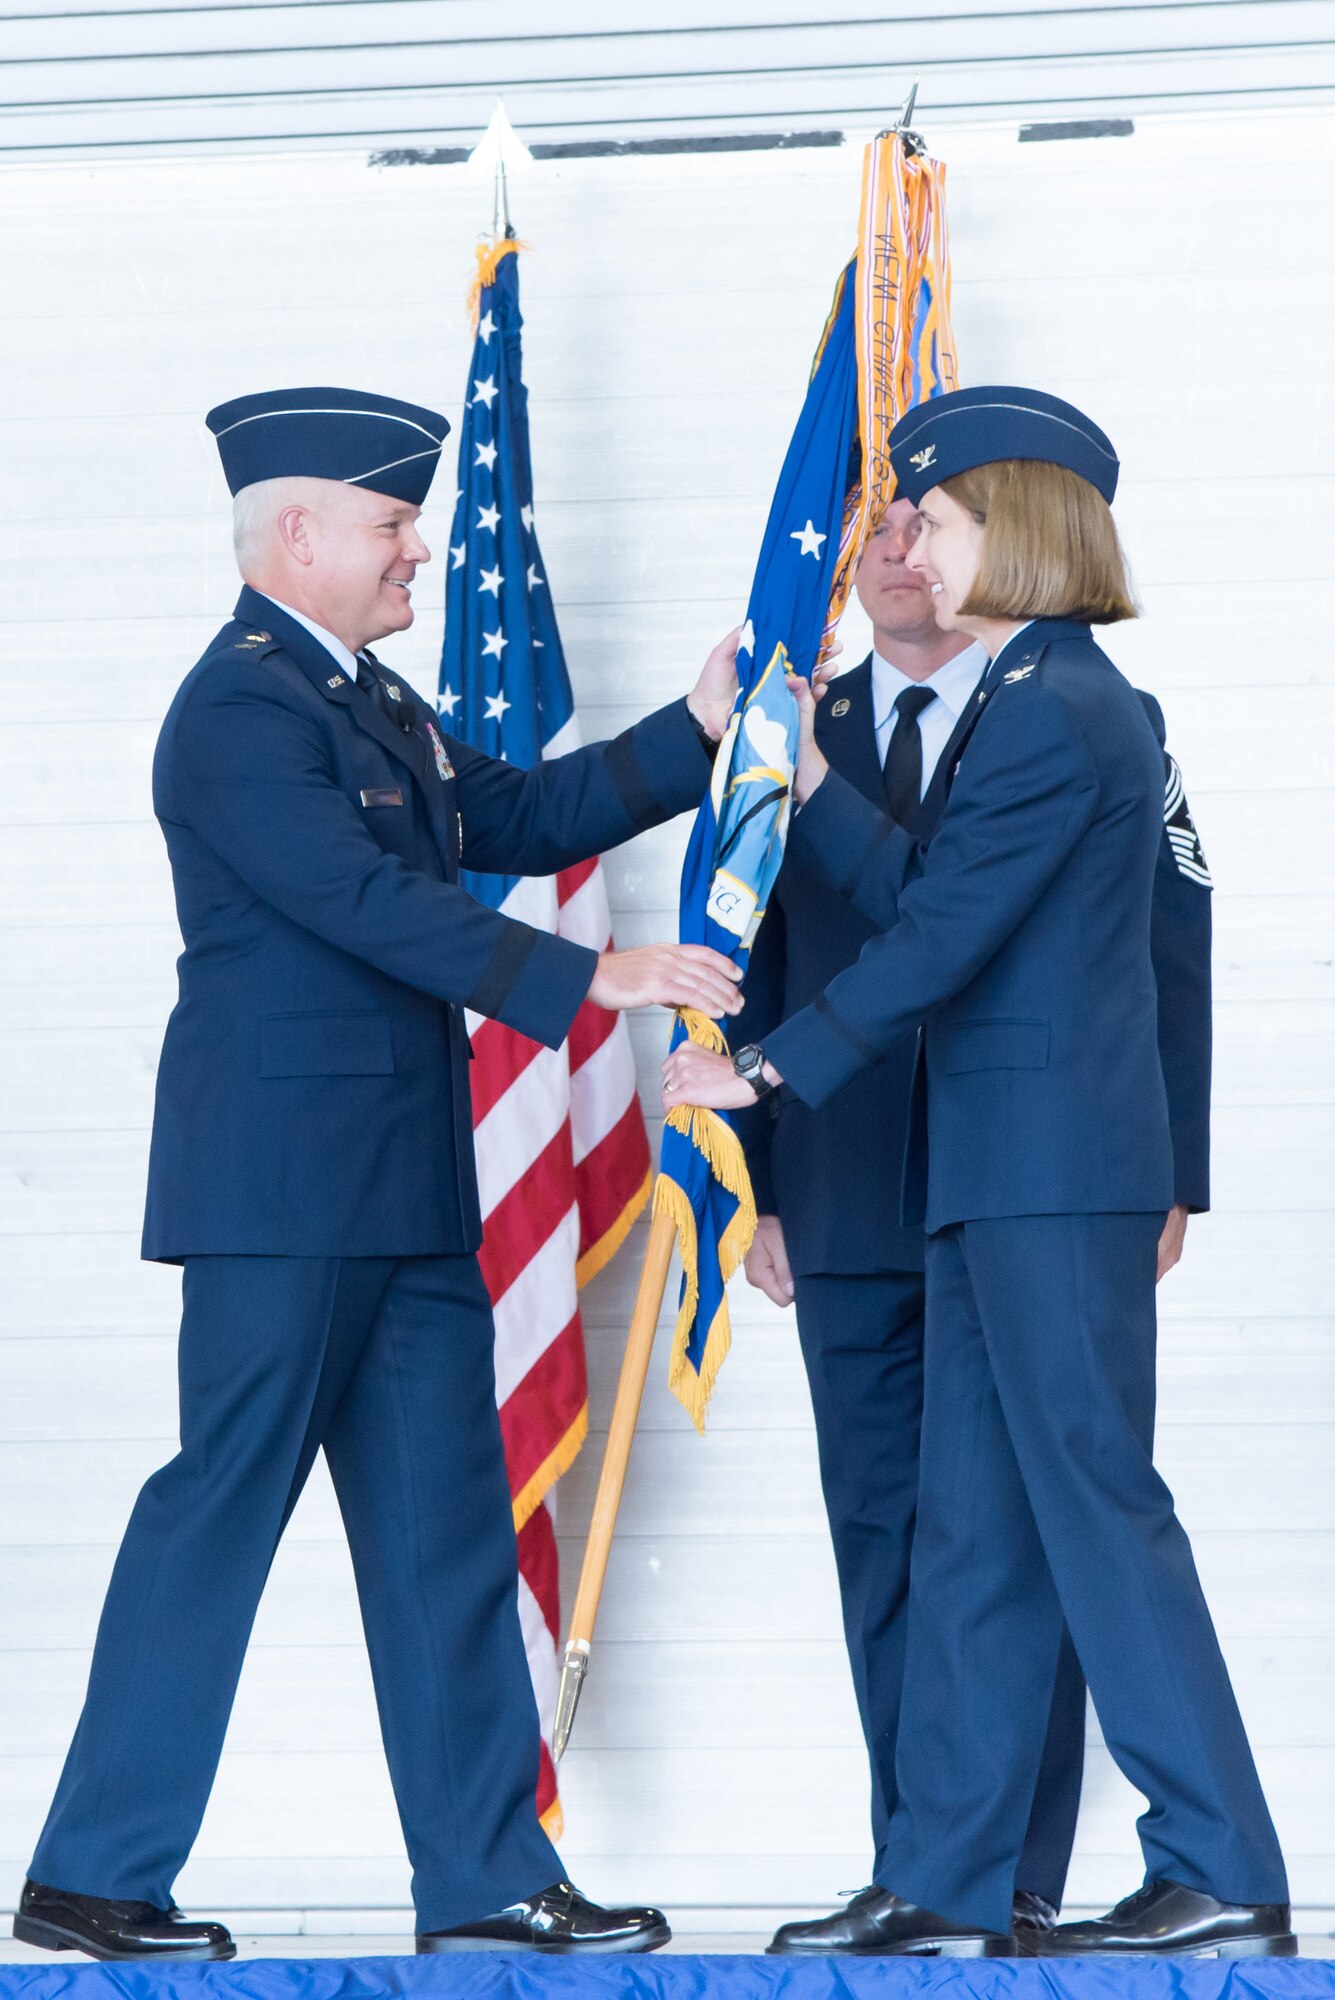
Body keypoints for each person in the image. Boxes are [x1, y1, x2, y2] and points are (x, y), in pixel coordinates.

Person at [15, 387, 745, 1964]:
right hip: (279, 1196)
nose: (418, 548)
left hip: (401, 1191)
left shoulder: (372, 706)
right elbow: (358, 898)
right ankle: (93, 1875)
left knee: (446, 1538)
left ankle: (485, 1879)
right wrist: (592, 980)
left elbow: (518, 812)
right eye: (392, 524)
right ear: (297, 535)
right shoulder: (238, 712)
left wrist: (692, 735)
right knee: (219, 1512)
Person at [662, 386, 1294, 1960]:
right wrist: (807, 784)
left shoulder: (1066, 706)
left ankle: (1217, 1857)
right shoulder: (1039, 704)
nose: (906, 542)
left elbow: (937, 938)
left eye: (930, 517)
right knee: (972, 1532)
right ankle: (944, 1878)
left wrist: (760, 1069)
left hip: (1049, 1173)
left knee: (1090, 1508)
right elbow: (931, 893)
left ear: (1013, 530)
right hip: (990, 1170)